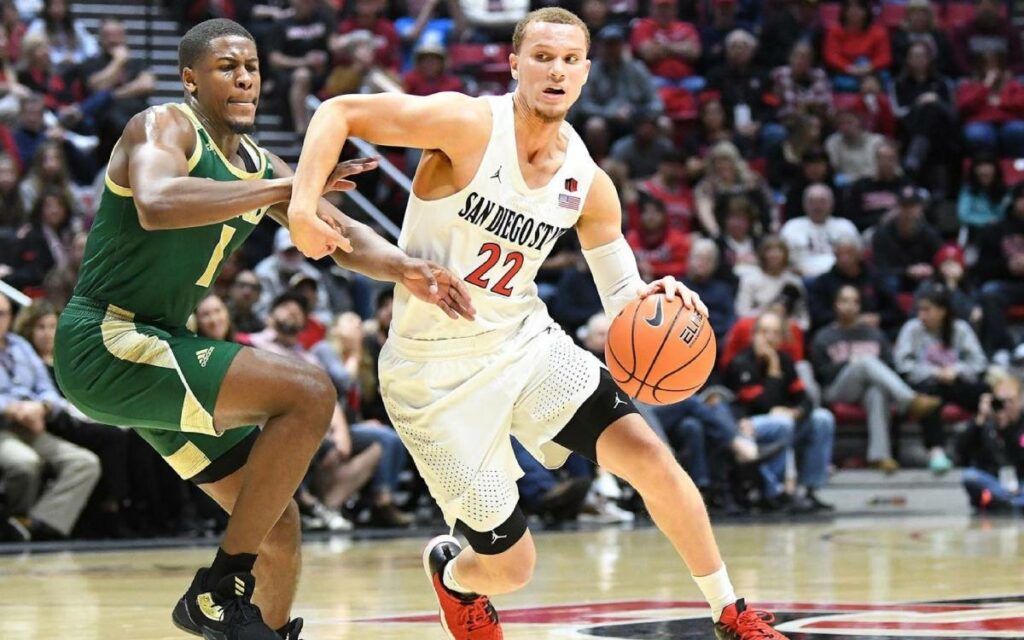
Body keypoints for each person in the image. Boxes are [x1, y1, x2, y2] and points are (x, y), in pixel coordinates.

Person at [290, 8, 791, 639]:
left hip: (525, 345)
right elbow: (337, 111)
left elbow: (623, 299)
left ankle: (730, 611)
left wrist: (654, 299)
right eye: (542, 57)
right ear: (515, 64)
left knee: (652, 459)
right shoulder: (468, 124)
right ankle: (454, 577)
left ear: (585, 71)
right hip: (432, 374)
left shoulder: (588, 181)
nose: (555, 70)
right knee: (511, 568)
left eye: (568, 60)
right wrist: (305, 207)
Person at [52, 18, 472, 640]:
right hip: (106, 339)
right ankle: (222, 586)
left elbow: (339, 233)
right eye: (227, 67)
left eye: (251, 66)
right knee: (308, 391)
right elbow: (157, 200)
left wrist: (404, 266)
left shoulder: (254, 161)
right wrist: (286, 186)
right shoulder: (164, 125)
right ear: (191, 79)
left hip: (159, 347)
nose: (245, 77)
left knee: (277, 524)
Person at [0, 292, 101, 541]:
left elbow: (47, 388)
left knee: (85, 463)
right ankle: (12, 520)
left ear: (10, 317)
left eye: (2, 313)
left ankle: (34, 524)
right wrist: (12, 408)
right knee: (25, 463)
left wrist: (42, 407)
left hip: (32, 425)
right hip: (3, 427)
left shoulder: (20, 346)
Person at [811, 285, 940, 473]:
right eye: (844, 301)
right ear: (836, 304)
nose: (849, 306)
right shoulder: (824, 336)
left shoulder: (874, 334)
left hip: (867, 391)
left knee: (876, 392)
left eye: (854, 302)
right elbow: (821, 373)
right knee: (864, 362)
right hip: (837, 390)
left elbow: (890, 366)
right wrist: (850, 364)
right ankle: (909, 400)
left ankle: (880, 456)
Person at [724, 310, 835, 512]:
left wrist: (795, 412)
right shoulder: (741, 364)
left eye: (775, 332)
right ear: (753, 334)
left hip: (785, 421)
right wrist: (774, 368)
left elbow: (806, 399)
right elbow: (764, 404)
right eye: (764, 331)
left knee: (822, 418)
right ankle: (773, 492)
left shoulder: (786, 361)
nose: (769, 337)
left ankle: (809, 489)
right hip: (747, 427)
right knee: (781, 423)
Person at [894, 283, 989, 474]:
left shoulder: (960, 328)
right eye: (919, 309)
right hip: (926, 384)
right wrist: (934, 372)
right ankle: (936, 451)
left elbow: (979, 362)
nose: (922, 314)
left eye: (927, 310)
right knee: (929, 397)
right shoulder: (911, 329)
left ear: (943, 311)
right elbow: (902, 365)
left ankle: (986, 447)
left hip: (956, 382)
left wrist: (956, 370)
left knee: (986, 393)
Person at [956, 369, 1024, 512]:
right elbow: (961, 454)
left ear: (1019, 400)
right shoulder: (984, 424)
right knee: (970, 476)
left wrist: (1008, 430)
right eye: (1000, 401)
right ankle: (1011, 502)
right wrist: (980, 420)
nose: (1004, 406)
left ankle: (1009, 502)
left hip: (1021, 481)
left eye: (1009, 400)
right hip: (994, 481)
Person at [871, 185, 942, 295]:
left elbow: (940, 263)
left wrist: (930, 269)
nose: (908, 212)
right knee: (887, 281)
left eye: (912, 206)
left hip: (923, 281)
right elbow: (881, 268)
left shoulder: (930, 234)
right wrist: (907, 271)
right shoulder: (882, 234)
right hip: (895, 281)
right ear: (896, 208)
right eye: (904, 206)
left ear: (920, 208)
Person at [779, 183, 858, 279]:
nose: (817, 206)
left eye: (822, 201)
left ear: (831, 203)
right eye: (812, 202)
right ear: (804, 204)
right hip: (802, 279)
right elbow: (782, 260)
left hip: (840, 279)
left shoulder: (845, 226)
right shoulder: (791, 227)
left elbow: (857, 257)